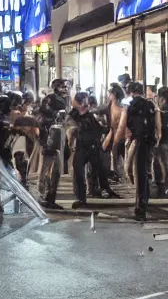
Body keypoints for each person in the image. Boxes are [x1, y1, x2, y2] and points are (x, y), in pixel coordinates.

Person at [69, 92, 120, 209]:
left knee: (100, 169)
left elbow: (99, 128)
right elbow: (72, 130)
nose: (86, 105)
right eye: (84, 102)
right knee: (79, 173)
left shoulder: (90, 115)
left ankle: (103, 189)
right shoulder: (74, 115)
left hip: (93, 146)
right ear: (78, 103)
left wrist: (106, 127)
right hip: (82, 147)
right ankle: (82, 198)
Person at [118, 82, 160, 220]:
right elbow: (156, 123)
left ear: (131, 92)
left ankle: (140, 205)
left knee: (138, 172)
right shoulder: (151, 105)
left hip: (139, 140)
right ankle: (145, 199)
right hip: (149, 141)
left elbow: (126, 124)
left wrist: (126, 138)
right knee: (145, 171)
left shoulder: (131, 105)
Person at [37, 81, 68, 209]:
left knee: (55, 169)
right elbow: (43, 115)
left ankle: (50, 197)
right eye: (62, 86)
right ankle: (44, 196)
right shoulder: (50, 99)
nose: (65, 88)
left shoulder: (63, 99)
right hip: (50, 137)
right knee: (47, 168)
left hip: (57, 136)